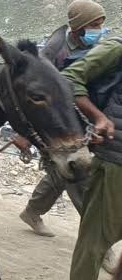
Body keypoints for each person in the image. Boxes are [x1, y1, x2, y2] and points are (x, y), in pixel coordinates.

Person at [18, 0, 106, 237]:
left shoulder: (97, 46)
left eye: (101, 24)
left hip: (79, 118)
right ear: (79, 27)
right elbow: (33, 94)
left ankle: (32, 211)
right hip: (58, 122)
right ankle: (96, 239)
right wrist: (22, 133)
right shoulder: (54, 50)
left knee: (61, 172)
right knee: (78, 176)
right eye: (94, 25)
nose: (99, 30)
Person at [61, 35, 122, 280]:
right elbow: (69, 79)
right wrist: (98, 117)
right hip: (115, 164)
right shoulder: (117, 48)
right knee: (94, 243)